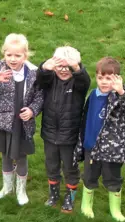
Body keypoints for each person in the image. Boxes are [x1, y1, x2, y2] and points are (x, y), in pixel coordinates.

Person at [0, 33, 43, 205]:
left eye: (18, 55)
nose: (13, 59)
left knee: (21, 156)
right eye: (9, 55)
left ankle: (21, 191)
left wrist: (32, 110)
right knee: (5, 155)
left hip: (22, 123)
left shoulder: (34, 72)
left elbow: (40, 97)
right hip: (3, 121)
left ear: (25, 54)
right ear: (4, 53)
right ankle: (7, 188)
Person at [73, 56, 125, 221]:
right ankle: (86, 205)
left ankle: (115, 209)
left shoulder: (120, 97)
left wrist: (121, 91)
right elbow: (85, 119)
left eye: (108, 78)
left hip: (112, 150)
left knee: (113, 178)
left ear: (117, 79)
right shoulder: (92, 95)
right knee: (89, 176)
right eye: (100, 78)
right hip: (91, 147)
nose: (103, 82)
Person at [37, 46, 90, 212]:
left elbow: (84, 80)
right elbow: (40, 79)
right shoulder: (50, 79)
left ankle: (70, 196)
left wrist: (76, 68)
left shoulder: (78, 83)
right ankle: (53, 194)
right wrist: (45, 67)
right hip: (49, 132)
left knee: (70, 167)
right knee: (51, 165)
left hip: (70, 135)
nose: (63, 70)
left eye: (68, 67)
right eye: (59, 66)